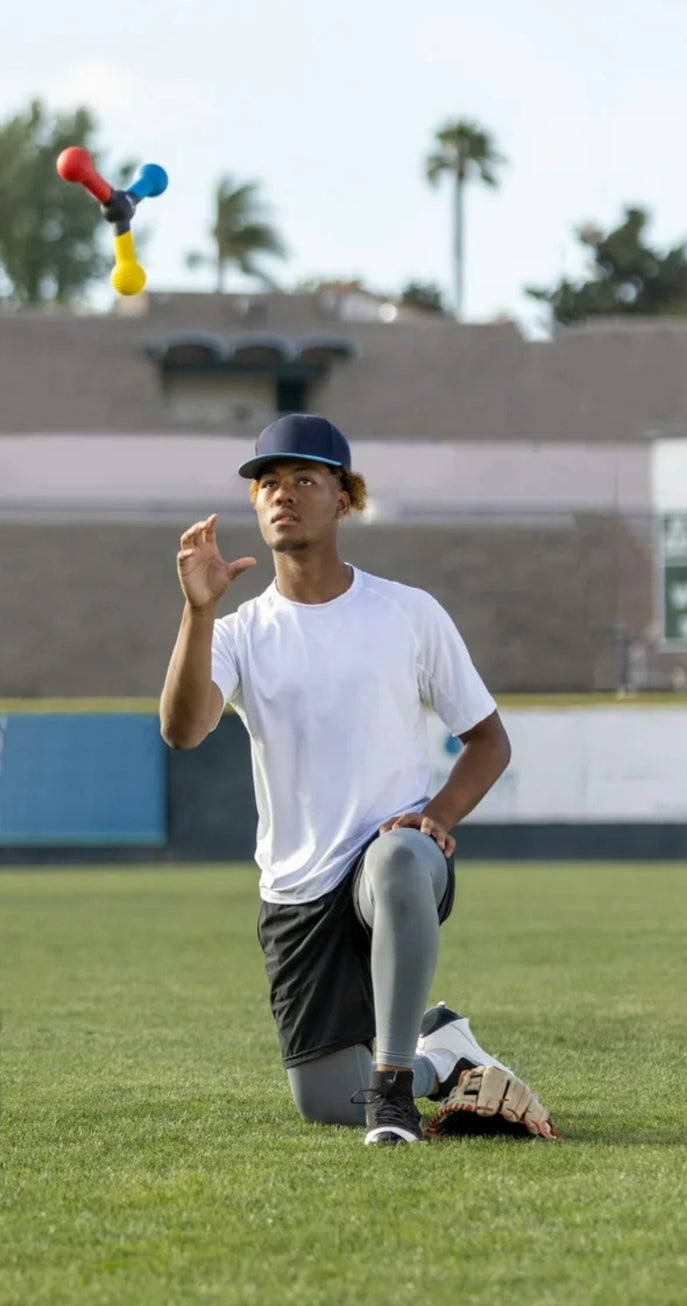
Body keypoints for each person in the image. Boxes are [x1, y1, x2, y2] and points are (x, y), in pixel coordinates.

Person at [159, 413, 514, 1147]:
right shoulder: (236, 631)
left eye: (303, 480)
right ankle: (441, 1050)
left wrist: (437, 815)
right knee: (323, 1098)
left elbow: (487, 740)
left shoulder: (407, 612)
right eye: (267, 483)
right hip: (297, 887)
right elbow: (183, 729)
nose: (280, 494)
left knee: (395, 859)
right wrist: (198, 612)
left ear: (343, 499)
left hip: (397, 864)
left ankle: (392, 1089)